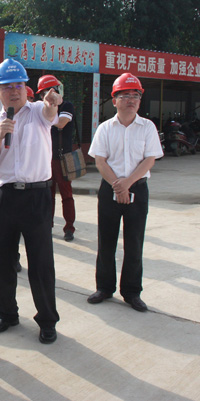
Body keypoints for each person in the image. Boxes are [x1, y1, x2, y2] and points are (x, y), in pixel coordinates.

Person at [0, 58, 62, 344]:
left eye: (18, 85)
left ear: (26, 88)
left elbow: (51, 112)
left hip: (37, 195)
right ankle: (7, 313)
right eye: (7, 87)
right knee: (2, 259)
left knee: (40, 261)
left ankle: (47, 319)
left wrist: (52, 101)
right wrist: (0, 134)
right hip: (6, 195)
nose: (13, 91)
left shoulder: (38, 111)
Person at [87, 73, 163, 312]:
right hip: (109, 189)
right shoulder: (105, 128)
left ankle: (132, 292)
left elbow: (149, 159)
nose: (131, 100)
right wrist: (117, 185)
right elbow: (100, 161)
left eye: (135, 95)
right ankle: (104, 287)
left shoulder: (147, 127)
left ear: (140, 101)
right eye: (125, 95)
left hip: (137, 189)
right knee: (106, 240)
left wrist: (127, 183)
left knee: (134, 242)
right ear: (114, 100)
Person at [37, 75, 77, 242]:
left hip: (63, 157)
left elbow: (61, 123)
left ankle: (69, 228)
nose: (46, 96)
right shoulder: (40, 108)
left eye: (49, 91)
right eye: (43, 93)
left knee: (66, 194)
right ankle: (48, 225)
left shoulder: (66, 106)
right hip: (46, 158)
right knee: (48, 195)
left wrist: (46, 115)